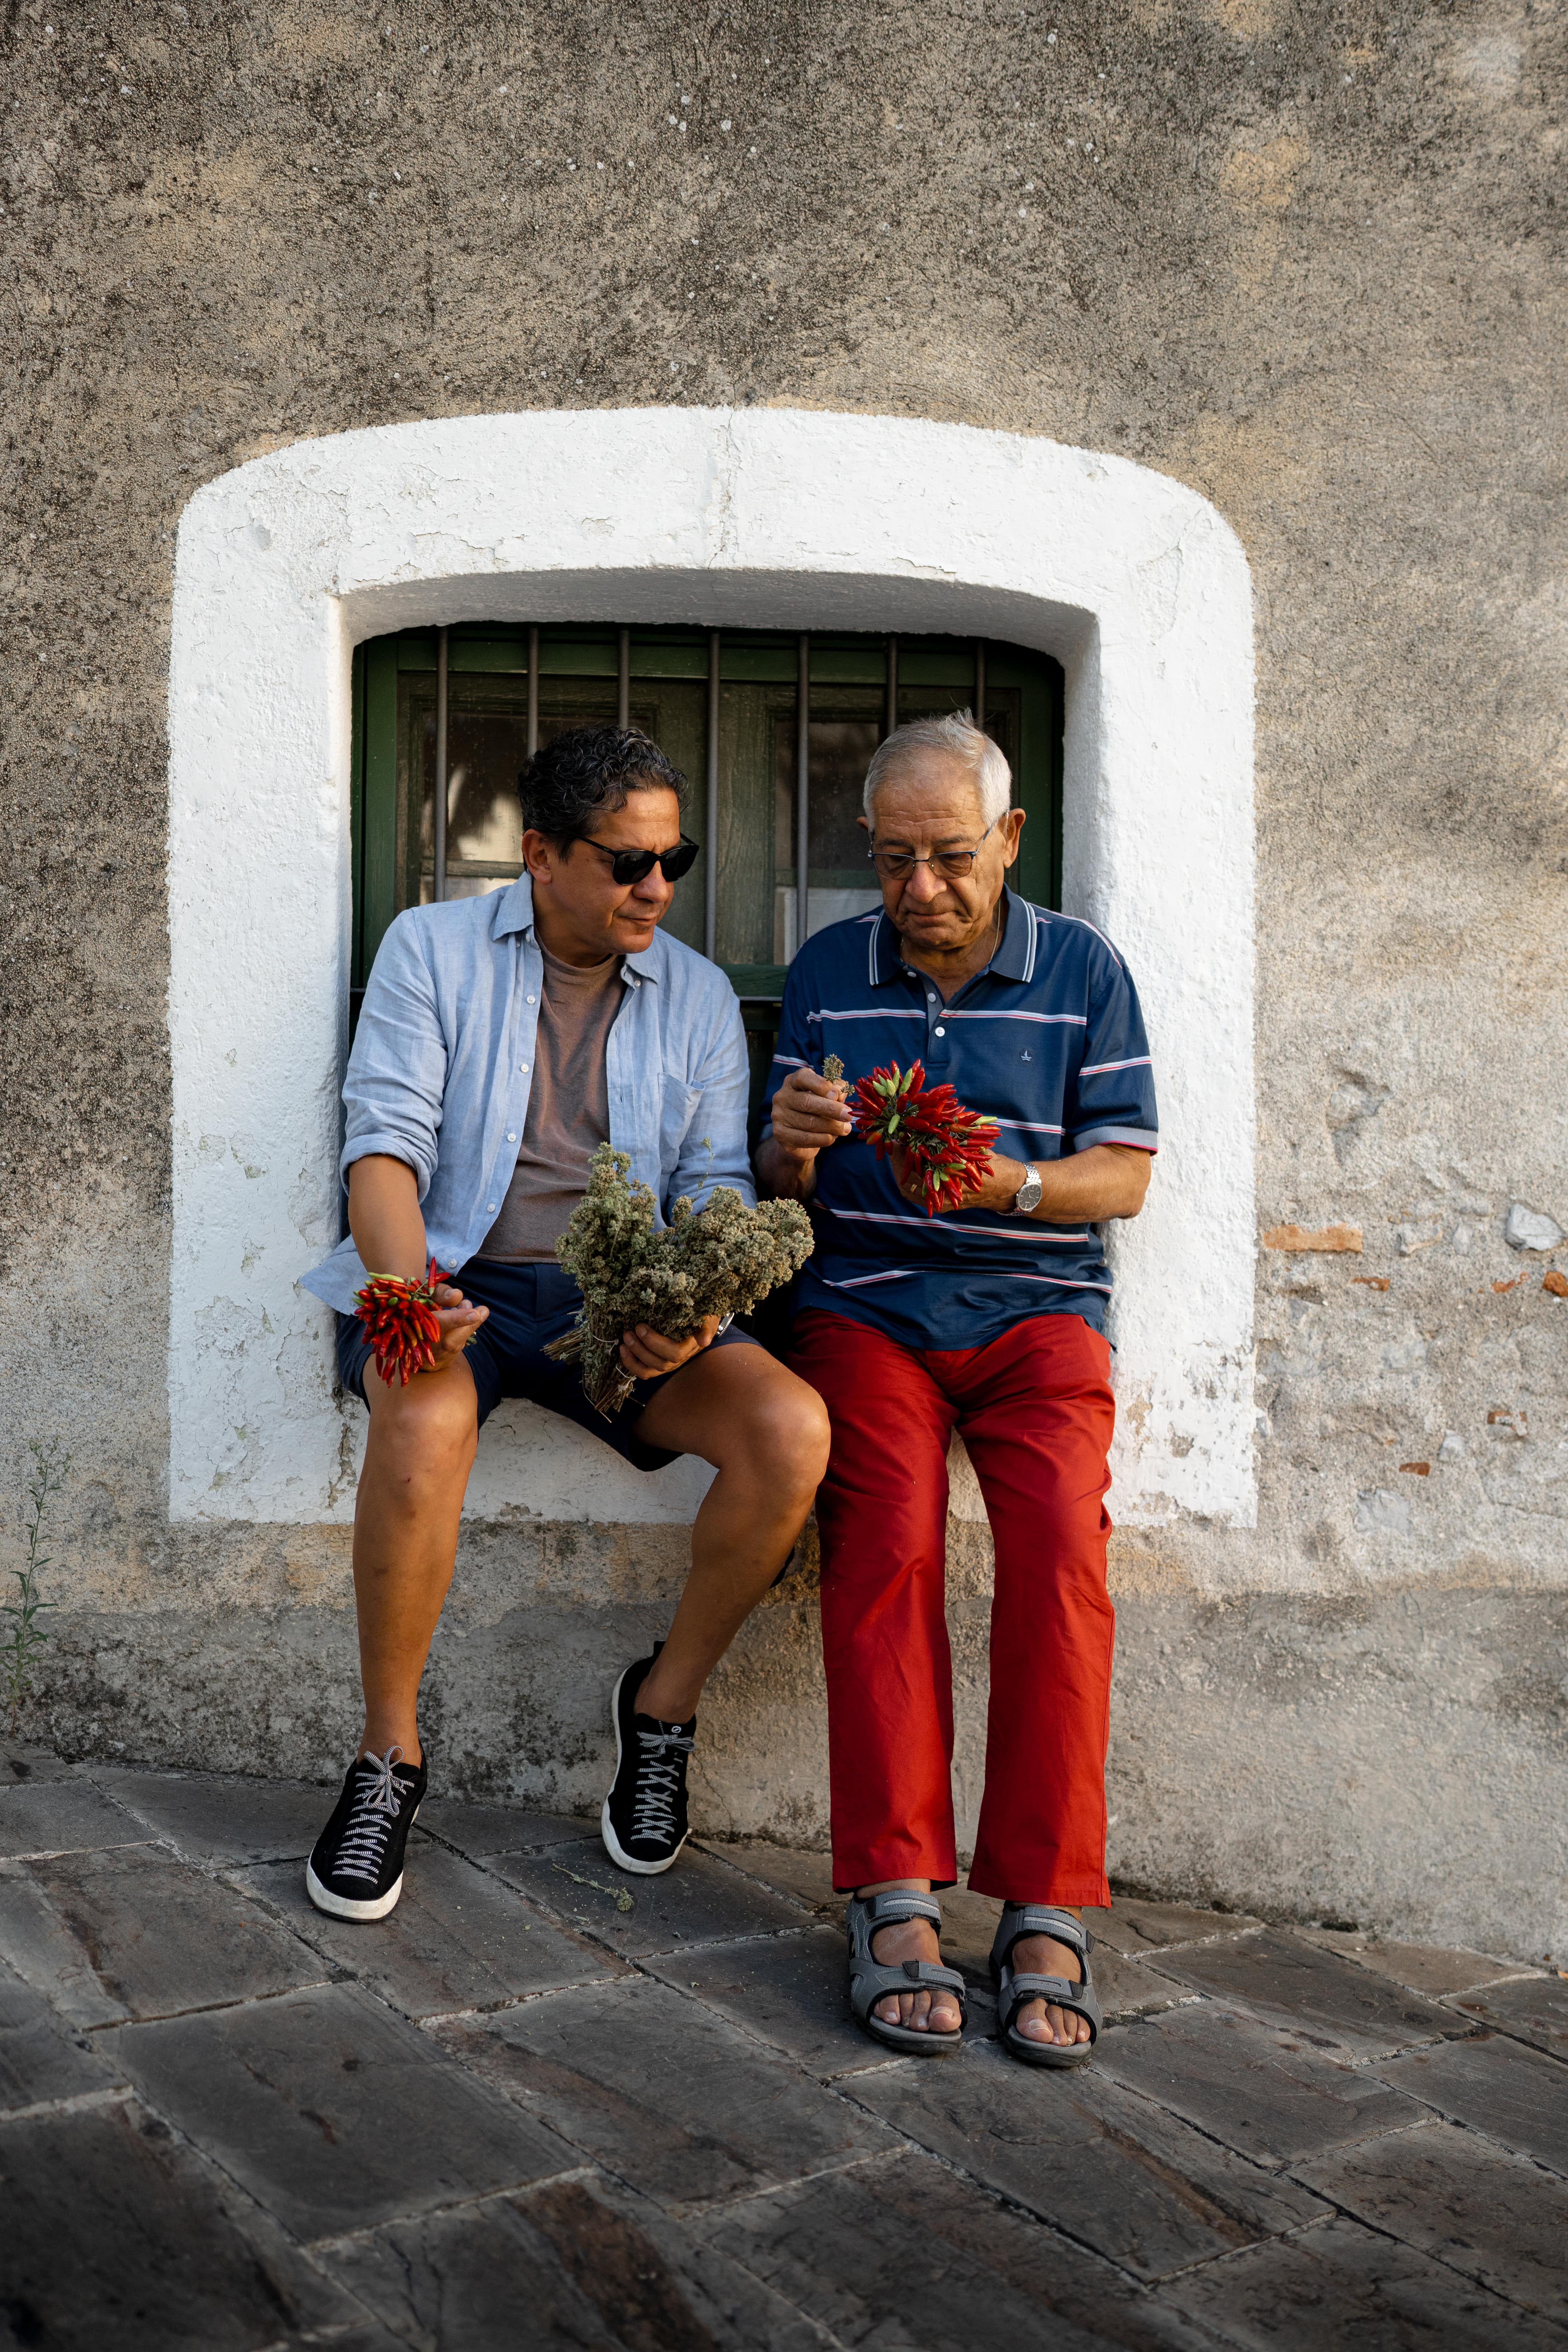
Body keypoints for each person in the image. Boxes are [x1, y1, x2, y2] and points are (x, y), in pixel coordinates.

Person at [300, 726, 829, 1921]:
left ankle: (662, 1712)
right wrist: (406, 1292)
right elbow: (383, 1143)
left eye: (673, 858)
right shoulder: (431, 950)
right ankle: (391, 1759)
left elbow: (714, 1194)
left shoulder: (692, 994)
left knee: (790, 1434)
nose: (657, 887)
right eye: (627, 861)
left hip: (622, 1303)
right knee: (423, 1423)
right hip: (452, 1280)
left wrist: (685, 1316)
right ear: (540, 855)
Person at [757, 711, 1157, 2068]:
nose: (919, 890)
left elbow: (1127, 1175)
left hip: (1040, 1309)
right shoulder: (827, 970)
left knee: (1059, 1555)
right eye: (889, 861)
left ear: (1009, 839)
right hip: (868, 1310)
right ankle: (896, 1889)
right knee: (887, 1541)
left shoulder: (1085, 973)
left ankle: (1047, 1900)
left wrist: (1007, 1185)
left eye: (946, 856)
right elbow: (778, 1181)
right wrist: (796, 1146)